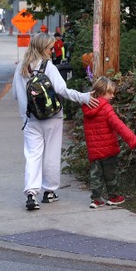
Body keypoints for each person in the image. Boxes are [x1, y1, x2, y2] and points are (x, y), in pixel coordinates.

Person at [13, 32, 98, 211]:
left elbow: (15, 95)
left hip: (30, 120)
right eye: (50, 48)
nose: (53, 51)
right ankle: (49, 192)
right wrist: (84, 97)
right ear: (42, 48)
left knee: (32, 155)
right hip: (52, 118)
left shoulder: (21, 67)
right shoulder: (48, 67)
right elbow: (63, 90)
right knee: (51, 154)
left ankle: (31, 193)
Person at [81, 76, 136, 208]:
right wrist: (133, 140)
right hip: (108, 150)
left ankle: (96, 199)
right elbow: (119, 126)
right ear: (102, 92)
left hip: (94, 151)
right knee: (110, 175)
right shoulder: (106, 109)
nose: (112, 96)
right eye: (110, 93)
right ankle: (113, 197)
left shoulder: (87, 107)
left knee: (95, 175)